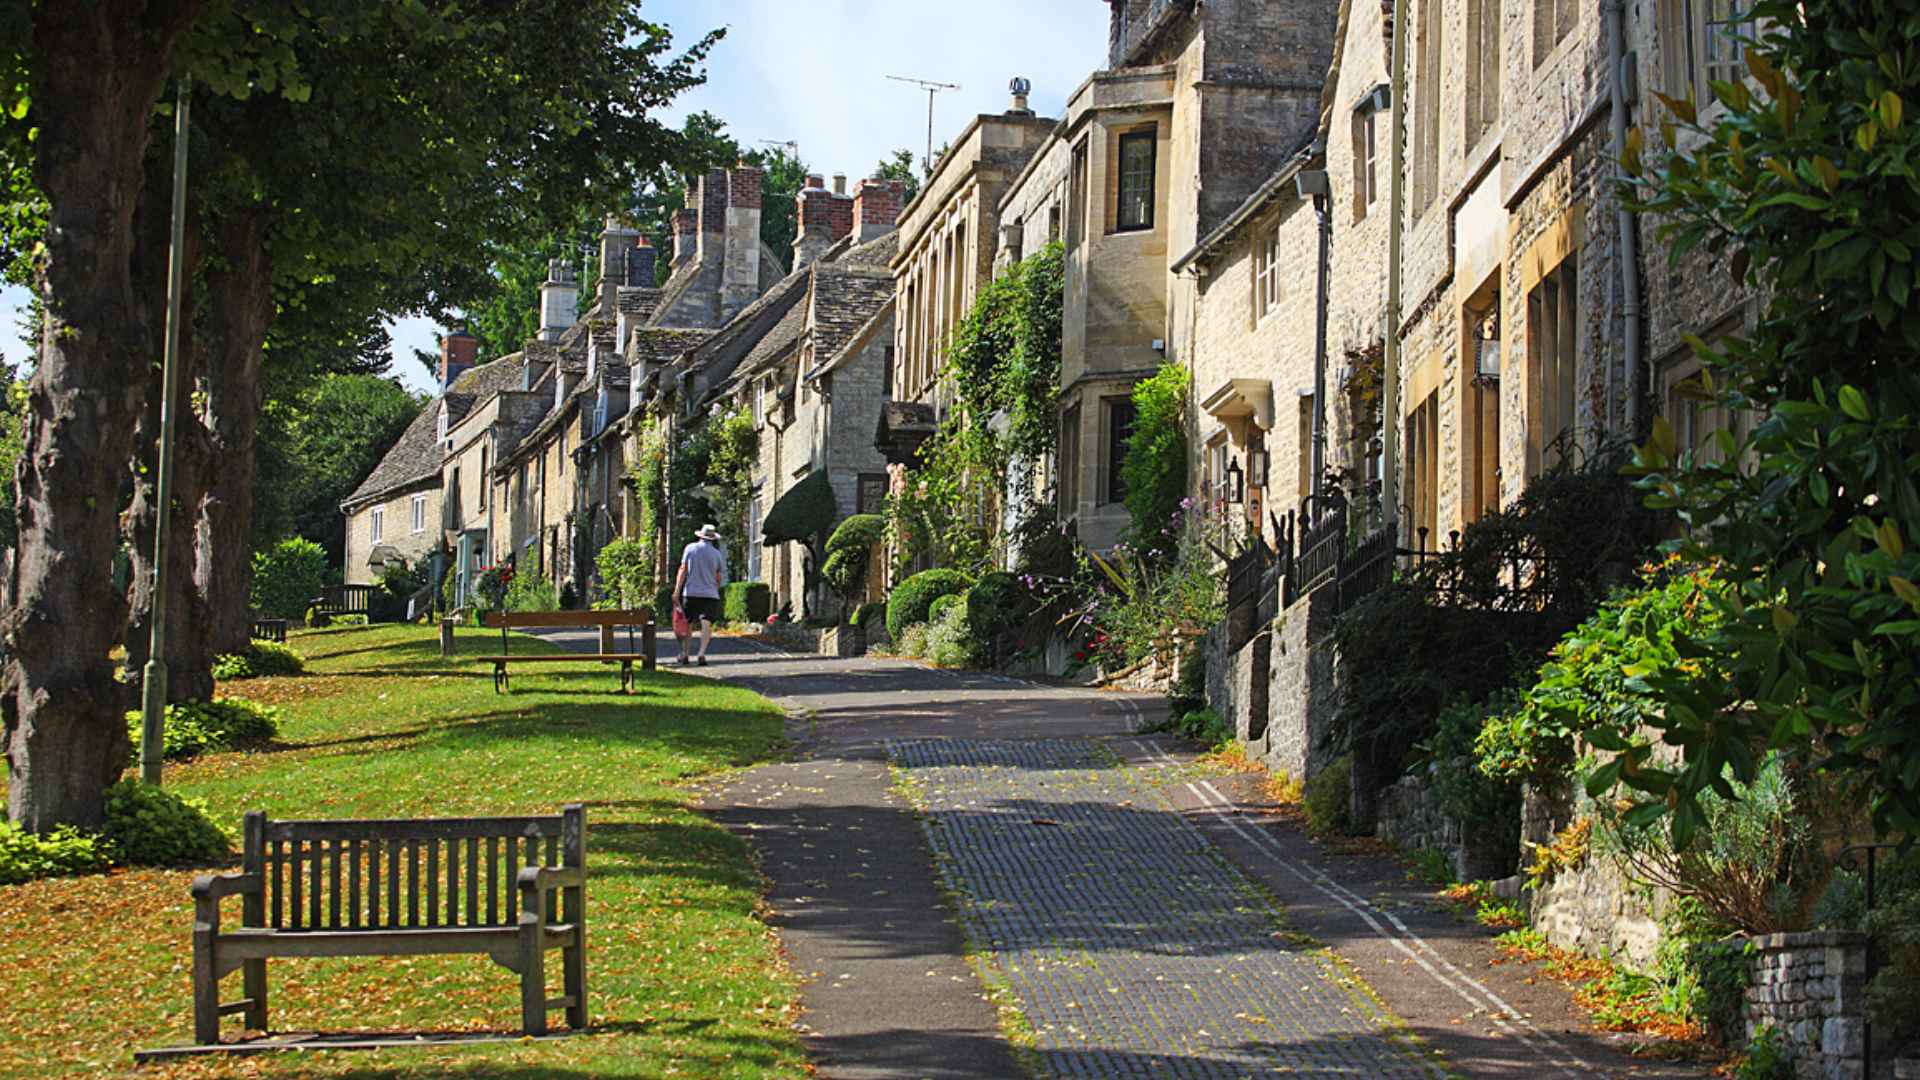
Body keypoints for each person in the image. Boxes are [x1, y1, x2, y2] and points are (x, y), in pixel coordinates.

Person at [673, 524, 727, 666]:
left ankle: (685, 654)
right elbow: (718, 577)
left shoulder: (690, 549)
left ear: (700, 536)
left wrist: (677, 590)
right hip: (710, 594)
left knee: (688, 624)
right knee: (706, 624)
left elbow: (683, 570)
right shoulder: (717, 554)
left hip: (691, 592)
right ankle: (701, 653)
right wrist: (716, 587)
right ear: (712, 538)